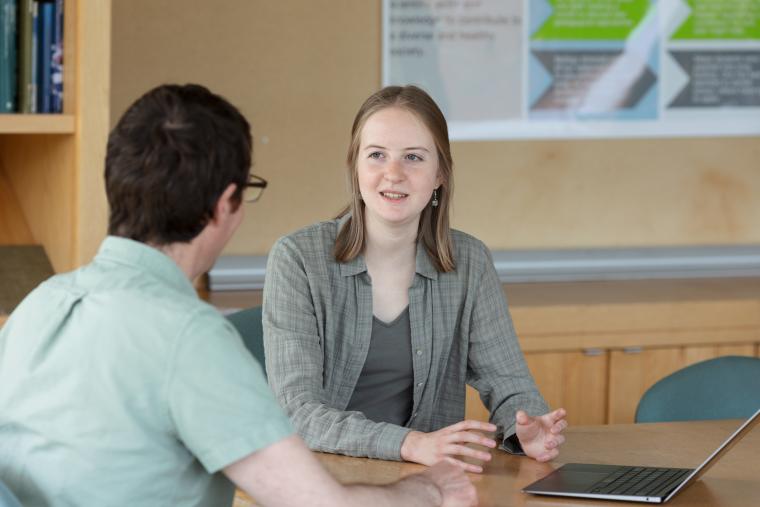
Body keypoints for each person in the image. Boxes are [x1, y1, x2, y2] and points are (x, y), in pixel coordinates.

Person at [0, 84, 477, 507]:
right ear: (224, 206)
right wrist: (430, 489)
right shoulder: (191, 338)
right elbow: (316, 502)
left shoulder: (36, 306)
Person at [263, 85, 568, 473]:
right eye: (376, 155)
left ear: (439, 173)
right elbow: (296, 412)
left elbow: (509, 383)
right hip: (321, 479)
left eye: (413, 157)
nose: (393, 174)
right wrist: (408, 443)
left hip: (426, 481)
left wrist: (527, 426)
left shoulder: (469, 262)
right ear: (355, 167)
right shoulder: (298, 259)